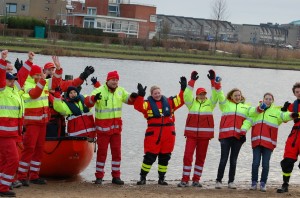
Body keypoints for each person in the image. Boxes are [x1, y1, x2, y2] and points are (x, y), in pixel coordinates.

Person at [134, 76, 186, 185]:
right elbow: (138, 106)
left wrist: (183, 88)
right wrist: (140, 95)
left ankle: (161, 179)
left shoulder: (170, 102)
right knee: (149, 158)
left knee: (165, 158)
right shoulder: (147, 104)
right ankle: (143, 177)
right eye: (155, 93)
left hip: (168, 136)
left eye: (158, 93)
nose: (157, 95)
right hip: (153, 136)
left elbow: (181, 100)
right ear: (151, 95)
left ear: (161, 93)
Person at [241, 93, 297, 192]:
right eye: (266, 99)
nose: (268, 100)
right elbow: (248, 122)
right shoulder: (256, 111)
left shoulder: (275, 112)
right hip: (256, 142)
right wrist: (243, 131)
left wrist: (292, 115)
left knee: (265, 164)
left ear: (272, 101)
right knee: (255, 163)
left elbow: (283, 116)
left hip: (269, 143)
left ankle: (263, 183)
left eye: (270, 99)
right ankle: (254, 183)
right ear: (263, 100)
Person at [17, 62, 62, 186]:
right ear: (32, 75)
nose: (39, 76)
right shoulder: (27, 85)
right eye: (36, 75)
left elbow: (56, 82)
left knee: (39, 149)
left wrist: (58, 70)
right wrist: (42, 80)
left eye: (39, 74)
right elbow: (35, 94)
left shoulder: (43, 83)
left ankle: (34, 176)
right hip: (32, 123)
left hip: (42, 122)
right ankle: (21, 176)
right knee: (29, 148)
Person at [91, 70, 137, 185]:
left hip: (116, 130)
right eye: (113, 80)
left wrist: (135, 96)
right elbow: (88, 101)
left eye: (116, 80)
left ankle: (116, 176)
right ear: (108, 80)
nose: (115, 82)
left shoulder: (120, 91)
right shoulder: (99, 90)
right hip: (103, 130)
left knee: (117, 153)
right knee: (102, 153)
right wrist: (93, 98)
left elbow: (129, 100)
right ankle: (99, 177)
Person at [177, 70, 220, 187]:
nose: (202, 95)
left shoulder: (210, 104)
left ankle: (196, 179)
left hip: (204, 137)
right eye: (200, 94)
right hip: (191, 135)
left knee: (200, 158)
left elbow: (216, 95)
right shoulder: (191, 103)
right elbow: (186, 95)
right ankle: (185, 179)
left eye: (204, 94)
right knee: (187, 156)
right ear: (196, 95)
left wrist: (212, 80)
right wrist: (192, 81)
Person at [214, 76, 250, 189]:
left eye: (239, 95)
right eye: (235, 95)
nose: (238, 97)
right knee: (223, 159)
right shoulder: (225, 104)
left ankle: (231, 182)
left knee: (233, 160)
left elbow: (252, 117)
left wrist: (262, 107)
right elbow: (220, 94)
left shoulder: (245, 107)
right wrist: (218, 84)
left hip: (238, 138)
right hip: (225, 137)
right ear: (231, 96)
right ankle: (218, 181)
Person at [0, 50, 24, 197]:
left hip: (13, 132)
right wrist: (2, 60)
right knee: (13, 160)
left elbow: (24, 78)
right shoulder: (1, 91)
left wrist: (26, 65)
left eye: (13, 79)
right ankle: (3, 188)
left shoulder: (15, 91)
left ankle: (2, 185)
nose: (12, 81)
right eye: (9, 79)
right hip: (4, 132)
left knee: (4, 160)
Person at [277, 82, 300, 193]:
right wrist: (284, 110)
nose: (299, 93)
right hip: (295, 136)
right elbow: (284, 120)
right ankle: (285, 185)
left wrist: (297, 114)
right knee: (287, 161)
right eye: (297, 92)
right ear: (294, 93)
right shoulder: (293, 105)